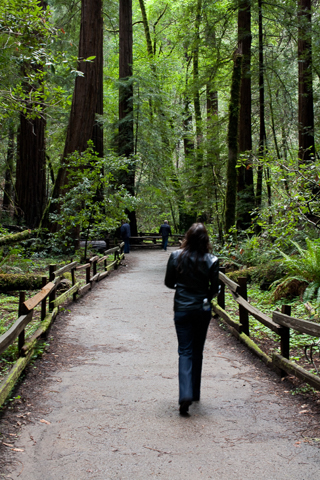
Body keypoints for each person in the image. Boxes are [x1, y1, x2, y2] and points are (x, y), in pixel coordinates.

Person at [164, 223, 219, 415]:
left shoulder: (175, 257)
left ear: (187, 237)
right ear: (206, 240)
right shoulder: (212, 260)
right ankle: (194, 392)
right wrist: (203, 293)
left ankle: (185, 393)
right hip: (202, 309)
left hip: (182, 308)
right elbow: (214, 289)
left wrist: (183, 287)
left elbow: (169, 283)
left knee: (185, 351)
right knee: (198, 350)